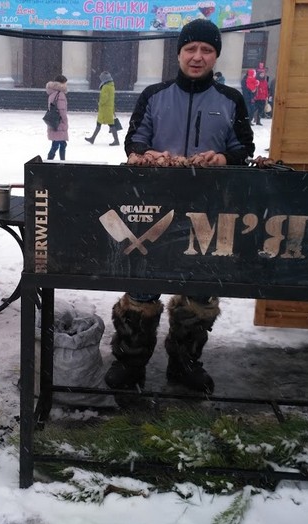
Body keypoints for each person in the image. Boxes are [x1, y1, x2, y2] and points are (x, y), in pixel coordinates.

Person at [107, 19, 255, 397]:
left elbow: (243, 148)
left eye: (206, 50)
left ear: (215, 56)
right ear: (179, 54)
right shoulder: (154, 95)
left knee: (200, 291)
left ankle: (185, 362)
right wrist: (143, 154)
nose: (197, 56)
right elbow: (135, 140)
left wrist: (223, 159)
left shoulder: (231, 99)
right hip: (153, 208)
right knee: (142, 285)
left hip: (209, 210)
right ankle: (130, 362)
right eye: (190, 49)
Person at [85, 71, 120, 146]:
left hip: (105, 109)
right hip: (109, 108)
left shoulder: (106, 87)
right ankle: (92, 138)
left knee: (110, 124)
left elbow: (104, 98)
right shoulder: (111, 86)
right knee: (100, 123)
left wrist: (100, 103)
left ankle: (116, 140)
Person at [45, 74, 69, 161]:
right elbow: (61, 110)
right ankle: (50, 160)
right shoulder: (60, 94)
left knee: (61, 143)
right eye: (65, 83)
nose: (66, 85)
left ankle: (61, 161)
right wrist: (65, 121)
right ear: (62, 83)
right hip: (59, 123)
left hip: (54, 121)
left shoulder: (52, 93)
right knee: (57, 144)